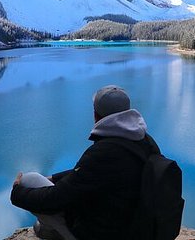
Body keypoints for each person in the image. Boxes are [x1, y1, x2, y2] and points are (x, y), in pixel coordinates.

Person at [10, 85, 161, 240]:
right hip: (137, 226)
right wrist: (54, 178)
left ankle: (51, 231)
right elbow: (92, 172)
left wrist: (17, 192)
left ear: (96, 115)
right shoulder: (144, 141)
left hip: (105, 233)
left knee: (29, 180)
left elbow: (55, 198)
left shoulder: (103, 152)